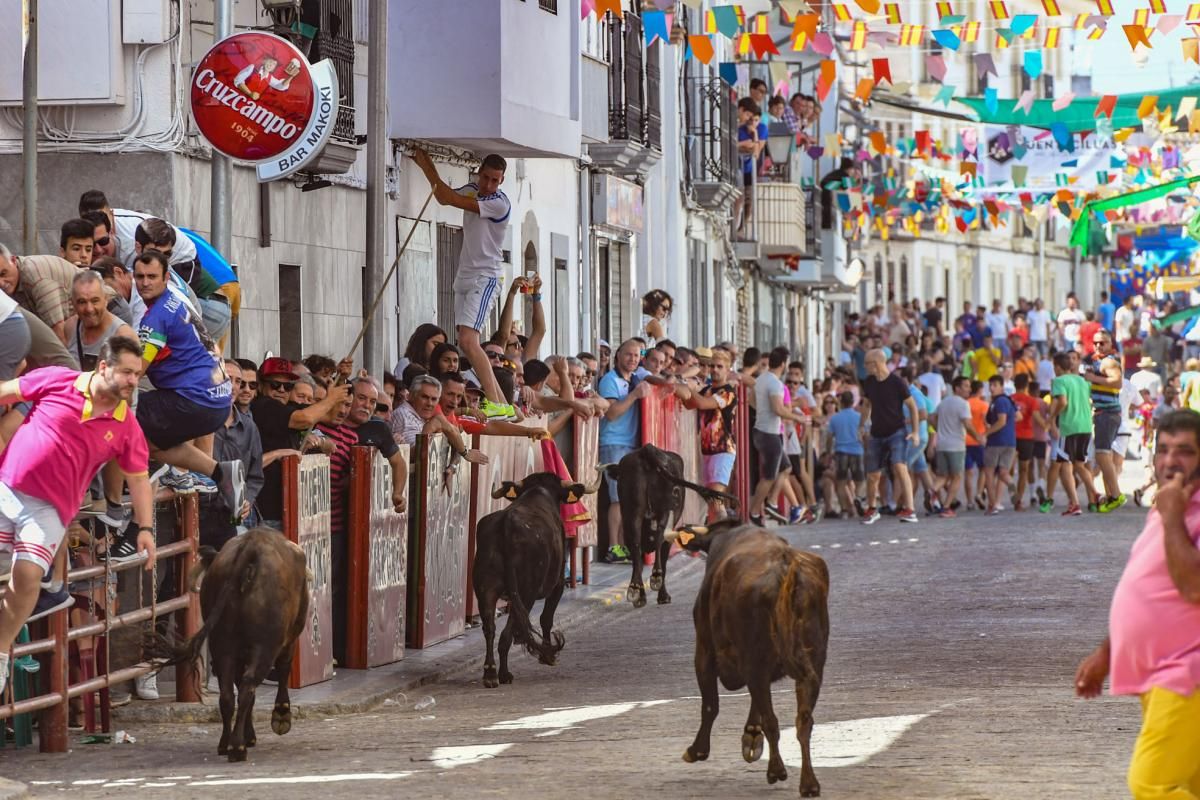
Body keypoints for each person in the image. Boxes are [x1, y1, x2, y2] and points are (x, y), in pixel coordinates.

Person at [0, 337, 157, 698]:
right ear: (104, 367)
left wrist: (145, 528)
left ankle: (1, 653)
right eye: (128, 372)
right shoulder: (59, 380)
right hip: (7, 486)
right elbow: (8, 391)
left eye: (138, 374)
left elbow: (138, 478)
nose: (134, 381)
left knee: (27, 573)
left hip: (51, 508)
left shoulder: (127, 425)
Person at [1074, 409, 1200, 800]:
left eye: (1184, 451)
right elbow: (1147, 587)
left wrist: (1173, 516)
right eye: (1162, 450)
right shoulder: (1170, 505)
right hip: (1163, 671)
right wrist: (1107, 653)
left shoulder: (1176, 509)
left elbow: (1193, 586)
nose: (1169, 461)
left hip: (1187, 673)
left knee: (1153, 785)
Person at [119, 251, 243, 513]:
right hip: (218, 401)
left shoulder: (155, 318)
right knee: (150, 442)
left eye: (152, 277)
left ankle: (133, 520)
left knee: (121, 418)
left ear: (166, 277)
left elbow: (135, 372)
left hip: (195, 400)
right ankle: (221, 473)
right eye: (139, 277)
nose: (145, 283)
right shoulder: (178, 298)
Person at [410, 148, 516, 419]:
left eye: (495, 180)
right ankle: (504, 404)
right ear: (479, 174)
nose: (489, 185)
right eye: (486, 178)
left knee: (469, 341)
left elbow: (445, 195)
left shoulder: (499, 203)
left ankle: (496, 403)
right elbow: (445, 197)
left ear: (501, 181)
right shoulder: (472, 188)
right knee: (465, 341)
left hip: (486, 276)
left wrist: (425, 162)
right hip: (465, 275)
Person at [598, 339, 652, 561]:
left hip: (630, 444)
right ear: (618, 355)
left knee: (627, 498)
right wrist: (634, 396)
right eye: (628, 354)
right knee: (617, 498)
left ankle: (622, 545)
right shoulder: (610, 380)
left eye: (637, 355)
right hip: (612, 443)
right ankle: (613, 546)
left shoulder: (635, 378)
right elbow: (611, 413)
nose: (632, 359)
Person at [748, 348, 809, 527]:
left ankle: (772, 503)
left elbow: (751, 401)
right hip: (769, 433)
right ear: (783, 364)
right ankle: (755, 511)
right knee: (768, 476)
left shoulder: (760, 380)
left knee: (786, 468)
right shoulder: (775, 384)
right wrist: (798, 418)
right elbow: (778, 409)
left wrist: (762, 410)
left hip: (761, 429)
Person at [859, 349, 920, 524]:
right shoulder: (869, 382)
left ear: (876, 364)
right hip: (876, 433)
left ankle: (909, 509)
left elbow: (913, 407)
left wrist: (915, 432)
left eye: (867, 363)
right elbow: (867, 405)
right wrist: (861, 425)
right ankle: (872, 509)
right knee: (873, 475)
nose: (864, 367)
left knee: (900, 466)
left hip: (897, 431)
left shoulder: (897, 382)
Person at [1044, 351, 1099, 516]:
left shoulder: (1059, 381)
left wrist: (1052, 418)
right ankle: (1093, 494)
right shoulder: (1083, 381)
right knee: (1079, 465)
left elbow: (1062, 401)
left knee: (1065, 465)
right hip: (1086, 426)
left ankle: (1076, 503)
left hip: (1069, 427)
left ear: (1057, 367)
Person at [692, 349, 737, 521]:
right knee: (712, 502)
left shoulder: (728, 392)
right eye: (712, 366)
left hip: (723, 450)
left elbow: (702, 404)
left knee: (716, 500)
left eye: (720, 366)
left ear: (727, 369)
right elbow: (691, 402)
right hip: (707, 451)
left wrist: (688, 390)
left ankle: (726, 540)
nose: (715, 370)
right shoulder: (706, 389)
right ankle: (716, 539)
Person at [1084, 330, 1127, 512]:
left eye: (1103, 343)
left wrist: (1093, 378)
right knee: (1104, 455)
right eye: (1096, 343)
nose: (1098, 346)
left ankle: (1116, 495)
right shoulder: (1098, 361)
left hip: (1107, 414)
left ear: (1111, 344)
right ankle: (1111, 495)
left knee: (1102, 454)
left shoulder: (1109, 361)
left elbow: (1117, 382)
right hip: (1103, 413)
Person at [932, 376, 984, 518]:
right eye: (966, 386)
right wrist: (978, 438)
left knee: (943, 475)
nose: (969, 389)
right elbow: (967, 424)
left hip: (942, 444)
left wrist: (939, 429)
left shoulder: (943, 402)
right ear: (957, 388)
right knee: (957, 477)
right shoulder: (963, 404)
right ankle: (946, 507)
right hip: (956, 445)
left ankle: (932, 490)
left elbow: (932, 418)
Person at [981, 375, 1018, 515]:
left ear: (1002, 386)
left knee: (989, 473)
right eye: (990, 385)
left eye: (995, 385)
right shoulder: (1008, 400)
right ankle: (1010, 483)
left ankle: (992, 505)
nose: (991, 388)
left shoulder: (999, 402)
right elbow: (1017, 416)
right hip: (1010, 441)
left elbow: (1002, 421)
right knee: (1003, 472)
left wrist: (987, 433)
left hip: (996, 442)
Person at [1010, 373, 1046, 511]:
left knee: (1009, 468)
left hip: (1011, 437)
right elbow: (1037, 418)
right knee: (1024, 469)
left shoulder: (1009, 399)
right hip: (1026, 437)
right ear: (1026, 385)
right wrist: (1047, 425)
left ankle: (1011, 488)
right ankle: (1018, 499)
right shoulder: (1032, 401)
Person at [828, 390, 864, 519]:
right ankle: (857, 497)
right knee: (859, 480)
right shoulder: (859, 417)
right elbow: (864, 434)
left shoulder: (835, 418)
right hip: (857, 451)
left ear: (841, 402)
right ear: (853, 402)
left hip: (841, 451)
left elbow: (829, 437)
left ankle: (844, 509)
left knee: (841, 482)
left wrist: (828, 452)